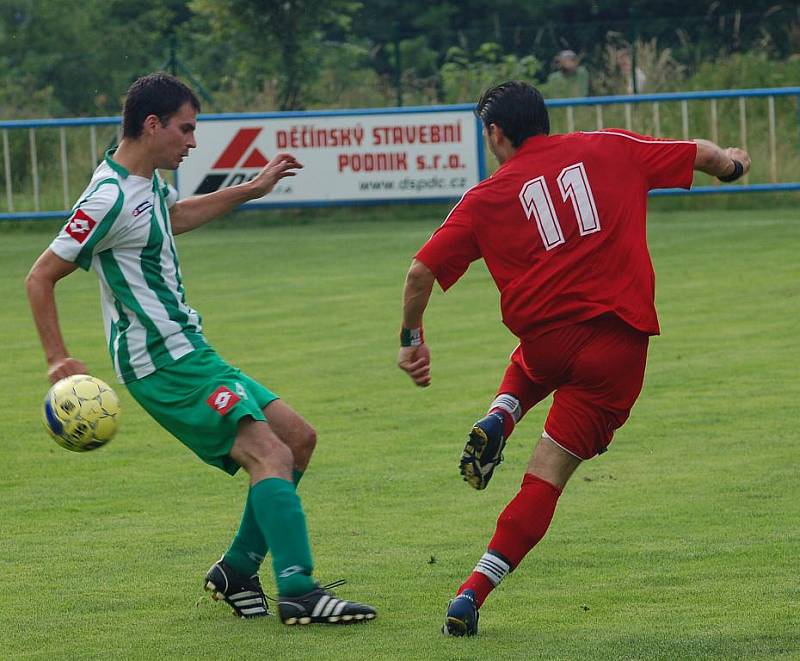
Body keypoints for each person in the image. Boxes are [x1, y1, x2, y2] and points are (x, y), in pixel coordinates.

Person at [396, 80, 750, 636]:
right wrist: (733, 166)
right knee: (547, 478)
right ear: (544, 118)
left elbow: (420, 272)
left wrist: (411, 340)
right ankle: (471, 592)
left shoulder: (484, 197)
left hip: (546, 344)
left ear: (495, 132)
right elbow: (704, 155)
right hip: (617, 345)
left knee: (532, 362)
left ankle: (503, 414)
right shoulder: (608, 147)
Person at [26, 72, 376, 626]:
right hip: (162, 362)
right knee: (271, 454)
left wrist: (251, 190)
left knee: (297, 440)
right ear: (152, 124)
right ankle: (299, 590)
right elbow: (40, 276)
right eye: (186, 130)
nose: (192, 142)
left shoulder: (143, 186)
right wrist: (57, 358)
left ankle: (237, 569)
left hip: (189, 349)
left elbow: (176, 216)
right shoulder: (108, 196)